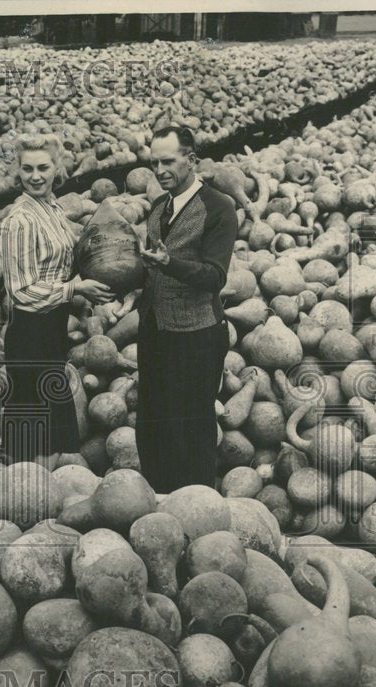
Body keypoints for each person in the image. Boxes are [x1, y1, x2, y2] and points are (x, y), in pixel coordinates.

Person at [0, 134, 113, 471]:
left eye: (43, 167)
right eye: (27, 169)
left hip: (52, 331)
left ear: (56, 168)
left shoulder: (52, 207)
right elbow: (21, 291)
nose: (36, 176)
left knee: (48, 428)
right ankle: (29, 502)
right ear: (17, 172)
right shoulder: (19, 220)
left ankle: (36, 498)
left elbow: (67, 258)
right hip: (30, 333)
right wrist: (74, 290)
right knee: (35, 430)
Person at [135, 125, 237, 493]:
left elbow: (215, 276)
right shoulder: (158, 208)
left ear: (191, 160)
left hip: (196, 336)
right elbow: (152, 270)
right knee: (152, 426)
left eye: (168, 161)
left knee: (191, 430)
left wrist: (168, 263)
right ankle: (157, 505)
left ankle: (196, 509)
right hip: (155, 332)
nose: (160, 170)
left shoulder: (219, 208)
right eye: (154, 163)